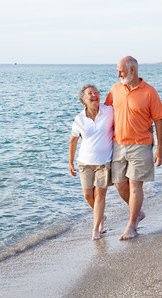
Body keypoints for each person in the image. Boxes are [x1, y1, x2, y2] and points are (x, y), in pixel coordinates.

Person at [105, 56, 162, 240]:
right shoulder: (115, 89)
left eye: (121, 71)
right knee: (119, 184)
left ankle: (131, 225)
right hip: (118, 144)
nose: (118, 75)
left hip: (141, 144)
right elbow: (104, 113)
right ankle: (137, 212)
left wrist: (160, 150)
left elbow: (159, 121)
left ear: (132, 70)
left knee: (134, 185)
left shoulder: (149, 92)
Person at [69, 84, 114, 240]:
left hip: (104, 162)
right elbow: (73, 140)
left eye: (97, 92)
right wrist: (70, 162)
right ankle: (101, 216)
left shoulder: (109, 111)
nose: (95, 95)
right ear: (83, 99)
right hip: (85, 162)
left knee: (100, 193)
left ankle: (96, 228)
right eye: (90, 93)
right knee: (88, 195)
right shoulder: (79, 119)